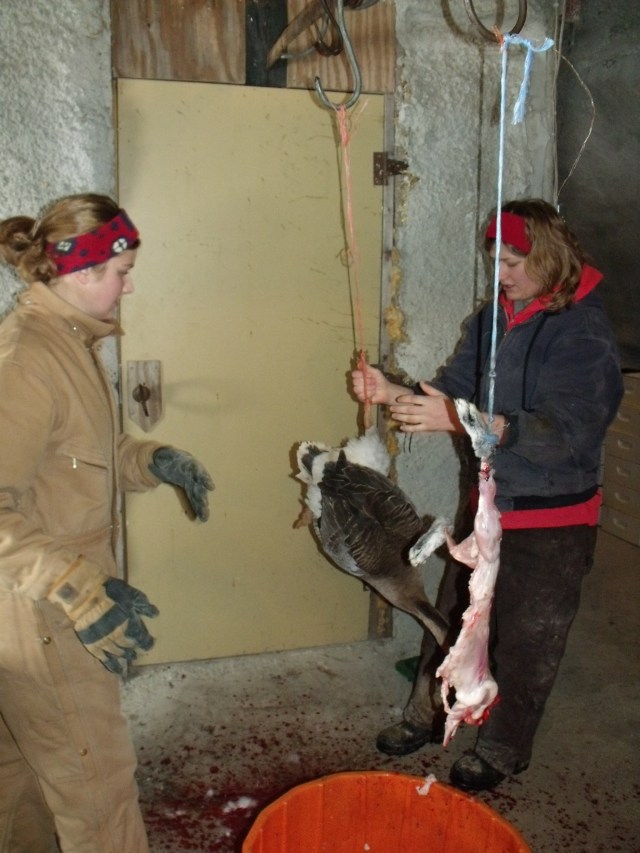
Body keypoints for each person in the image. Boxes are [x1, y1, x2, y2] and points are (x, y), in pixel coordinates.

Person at [352, 198, 623, 792]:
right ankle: (428, 712)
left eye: (513, 262)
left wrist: (463, 420)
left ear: (550, 257)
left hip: (554, 516)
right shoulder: (493, 317)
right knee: (452, 617)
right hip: (489, 506)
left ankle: (503, 748)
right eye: (494, 261)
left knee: (529, 637)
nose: (500, 275)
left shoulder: (585, 332)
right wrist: (391, 389)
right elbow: (451, 389)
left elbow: (568, 432)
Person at [0, 193, 214, 851]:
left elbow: (80, 455)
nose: (129, 282)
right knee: (99, 789)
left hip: (41, 596)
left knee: (26, 772)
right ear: (84, 270)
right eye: (122, 270)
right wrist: (79, 590)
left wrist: (154, 459)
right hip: (43, 612)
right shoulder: (29, 358)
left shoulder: (68, 340)